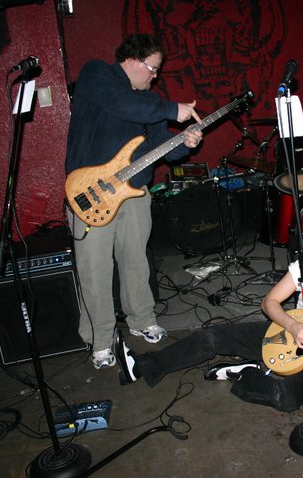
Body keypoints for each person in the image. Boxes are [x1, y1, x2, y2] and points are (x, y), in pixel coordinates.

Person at [113, 210, 303, 412]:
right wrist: (292, 326)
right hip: (288, 332)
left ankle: (247, 373)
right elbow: (269, 303)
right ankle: (144, 365)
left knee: (286, 398)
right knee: (213, 336)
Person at [65, 33, 203, 369]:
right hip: (92, 194)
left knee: (135, 262)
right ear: (131, 60)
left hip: (135, 193)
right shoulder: (97, 75)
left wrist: (185, 142)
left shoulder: (149, 101)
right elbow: (121, 105)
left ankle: (142, 319)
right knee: (95, 270)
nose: (155, 76)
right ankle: (100, 339)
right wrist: (173, 109)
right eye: (152, 68)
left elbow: (161, 146)